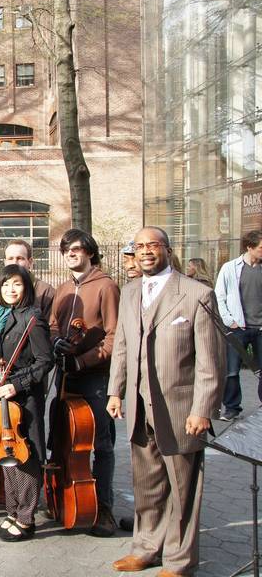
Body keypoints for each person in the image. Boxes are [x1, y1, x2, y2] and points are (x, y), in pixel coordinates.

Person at [108, 227, 225, 576]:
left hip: (180, 408)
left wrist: (203, 409)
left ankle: (179, 561)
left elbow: (211, 360)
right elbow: (123, 346)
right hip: (140, 406)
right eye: (139, 247)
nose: (145, 252)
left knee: (183, 488)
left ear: (167, 249)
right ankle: (146, 548)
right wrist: (116, 389)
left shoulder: (196, 294)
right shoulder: (129, 293)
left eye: (152, 245)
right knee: (147, 483)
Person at [48, 229, 120, 537]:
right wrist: (56, 344)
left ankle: (104, 507)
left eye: (77, 249)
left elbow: (116, 336)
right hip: (65, 373)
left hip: (94, 376)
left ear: (90, 252)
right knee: (66, 439)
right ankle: (71, 496)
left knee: (101, 443)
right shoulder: (63, 288)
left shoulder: (106, 286)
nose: (71, 254)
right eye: (66, 250)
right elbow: (52, 324)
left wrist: (84, 359)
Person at [0, 265, 53, 542]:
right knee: (6, 454)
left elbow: (44, 361)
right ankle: (12, 512)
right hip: (2, 396)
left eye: (17, 284)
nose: (10, 290)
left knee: (25, 456)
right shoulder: (1, 317)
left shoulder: (33, 319)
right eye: (5, 285)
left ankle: (27, 518)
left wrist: (18, 384)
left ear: (26, 288)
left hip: (24, 399)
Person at [214, 229, 262, 421]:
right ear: (249, 247)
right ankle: (232, 408)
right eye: (260, 248)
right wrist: (229, 320)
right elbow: (219, 296)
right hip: (237, 327)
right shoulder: (230, 268)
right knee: (231, 371)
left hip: (260, 329)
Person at [0, 239, 55, 320]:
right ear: (5, 262)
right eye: (10, 258)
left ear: (30, 262)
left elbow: (52, 327)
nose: (15, 263)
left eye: (20, 258)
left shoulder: (45, 291)